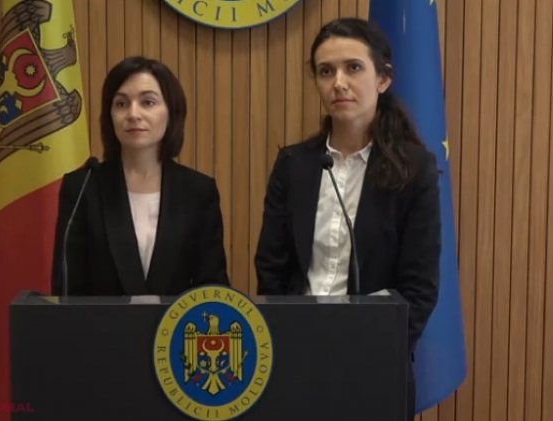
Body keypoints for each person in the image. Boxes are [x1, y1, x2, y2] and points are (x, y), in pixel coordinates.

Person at [254, 17, 440, 420]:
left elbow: (419, 287)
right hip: (295, 358)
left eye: (353, 68)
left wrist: (369, 350)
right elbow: (272, 268)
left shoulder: (414, 170)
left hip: (376, 363)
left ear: (383, 79)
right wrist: (287, 339)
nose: (338, 82)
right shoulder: (294, 165)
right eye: (326, 71)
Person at [51, 56, 230, 296]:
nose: (133, 114)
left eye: (148, 102)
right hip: (100, 322)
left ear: (171, 112)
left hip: (178, 322)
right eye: (121, 104)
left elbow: (212, 288)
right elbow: (69, 289)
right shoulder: (83, 187)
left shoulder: (198, 191)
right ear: (110, 116)